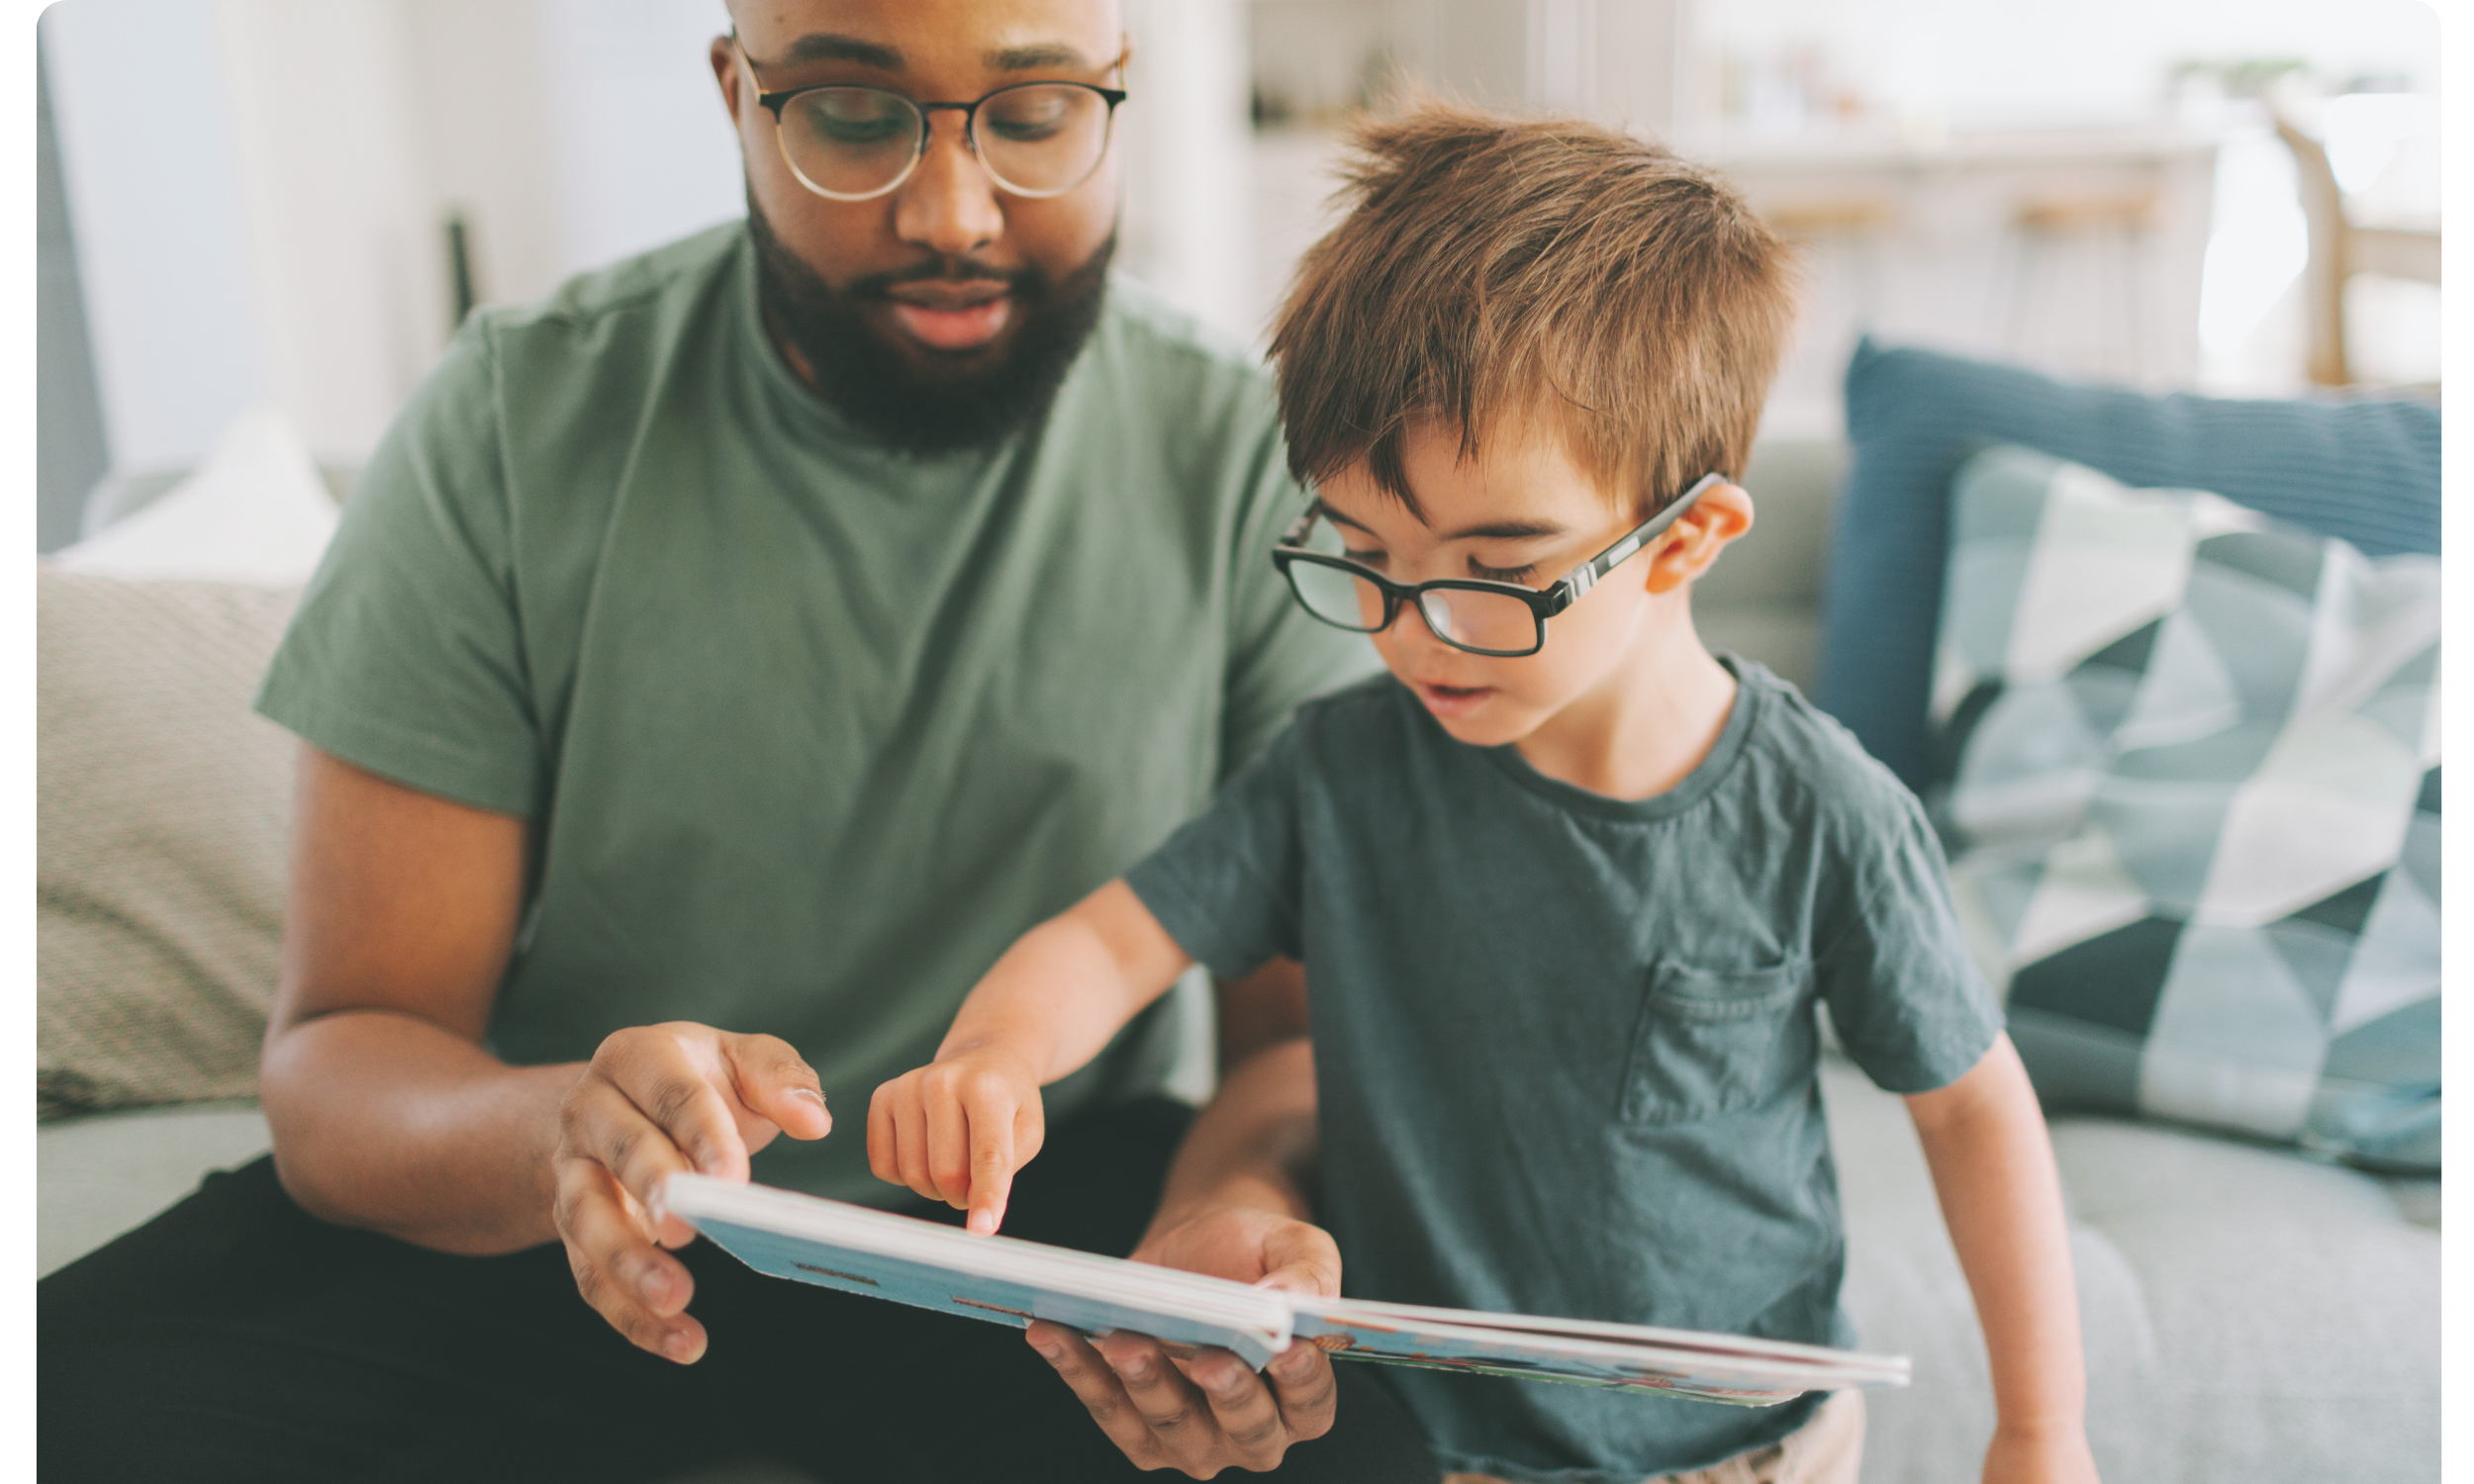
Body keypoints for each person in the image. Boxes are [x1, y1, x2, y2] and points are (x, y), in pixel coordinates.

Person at [35, 2, 1440, 1479]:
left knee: (1349, 1455)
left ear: (1117, 95)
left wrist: (1209, 1215)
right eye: (849, 113)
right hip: (561, 1220)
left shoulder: (1243, 457)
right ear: (737, 96)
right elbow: (339, 1065)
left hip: (1034, 1237)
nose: (951, 213)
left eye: (1030, 117)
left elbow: (1292, 1048)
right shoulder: (518, 418)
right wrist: (564, 1139)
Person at [871, 106, 2103, 1484]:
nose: (1416, 632)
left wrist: (2040, 1432)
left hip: (1747, 1457)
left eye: (1494, 569)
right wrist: (993, 1055)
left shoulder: (1821, 812)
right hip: (1433, 1448)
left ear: (1685, 537)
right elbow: (1113, 939)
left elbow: (1972, 1111)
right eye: (1368, 558)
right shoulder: (1340, 772)